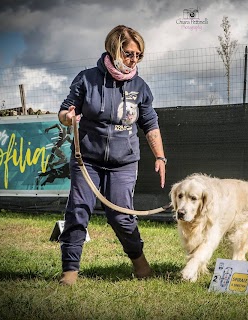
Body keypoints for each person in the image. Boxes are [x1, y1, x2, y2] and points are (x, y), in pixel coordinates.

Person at [57, 25, 167, 285]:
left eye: (138, 55)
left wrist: (160, 157)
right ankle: (70, 272)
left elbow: (150, 123)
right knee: (78, 210)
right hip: (88, 161)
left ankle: (140, 264)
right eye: (129, 54)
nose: (134, 60)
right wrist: (68, 117)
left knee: (120, 216)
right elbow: (64, 112)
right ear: (114, 49)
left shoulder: (140, 86)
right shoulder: (87, 79)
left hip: (124, 163)